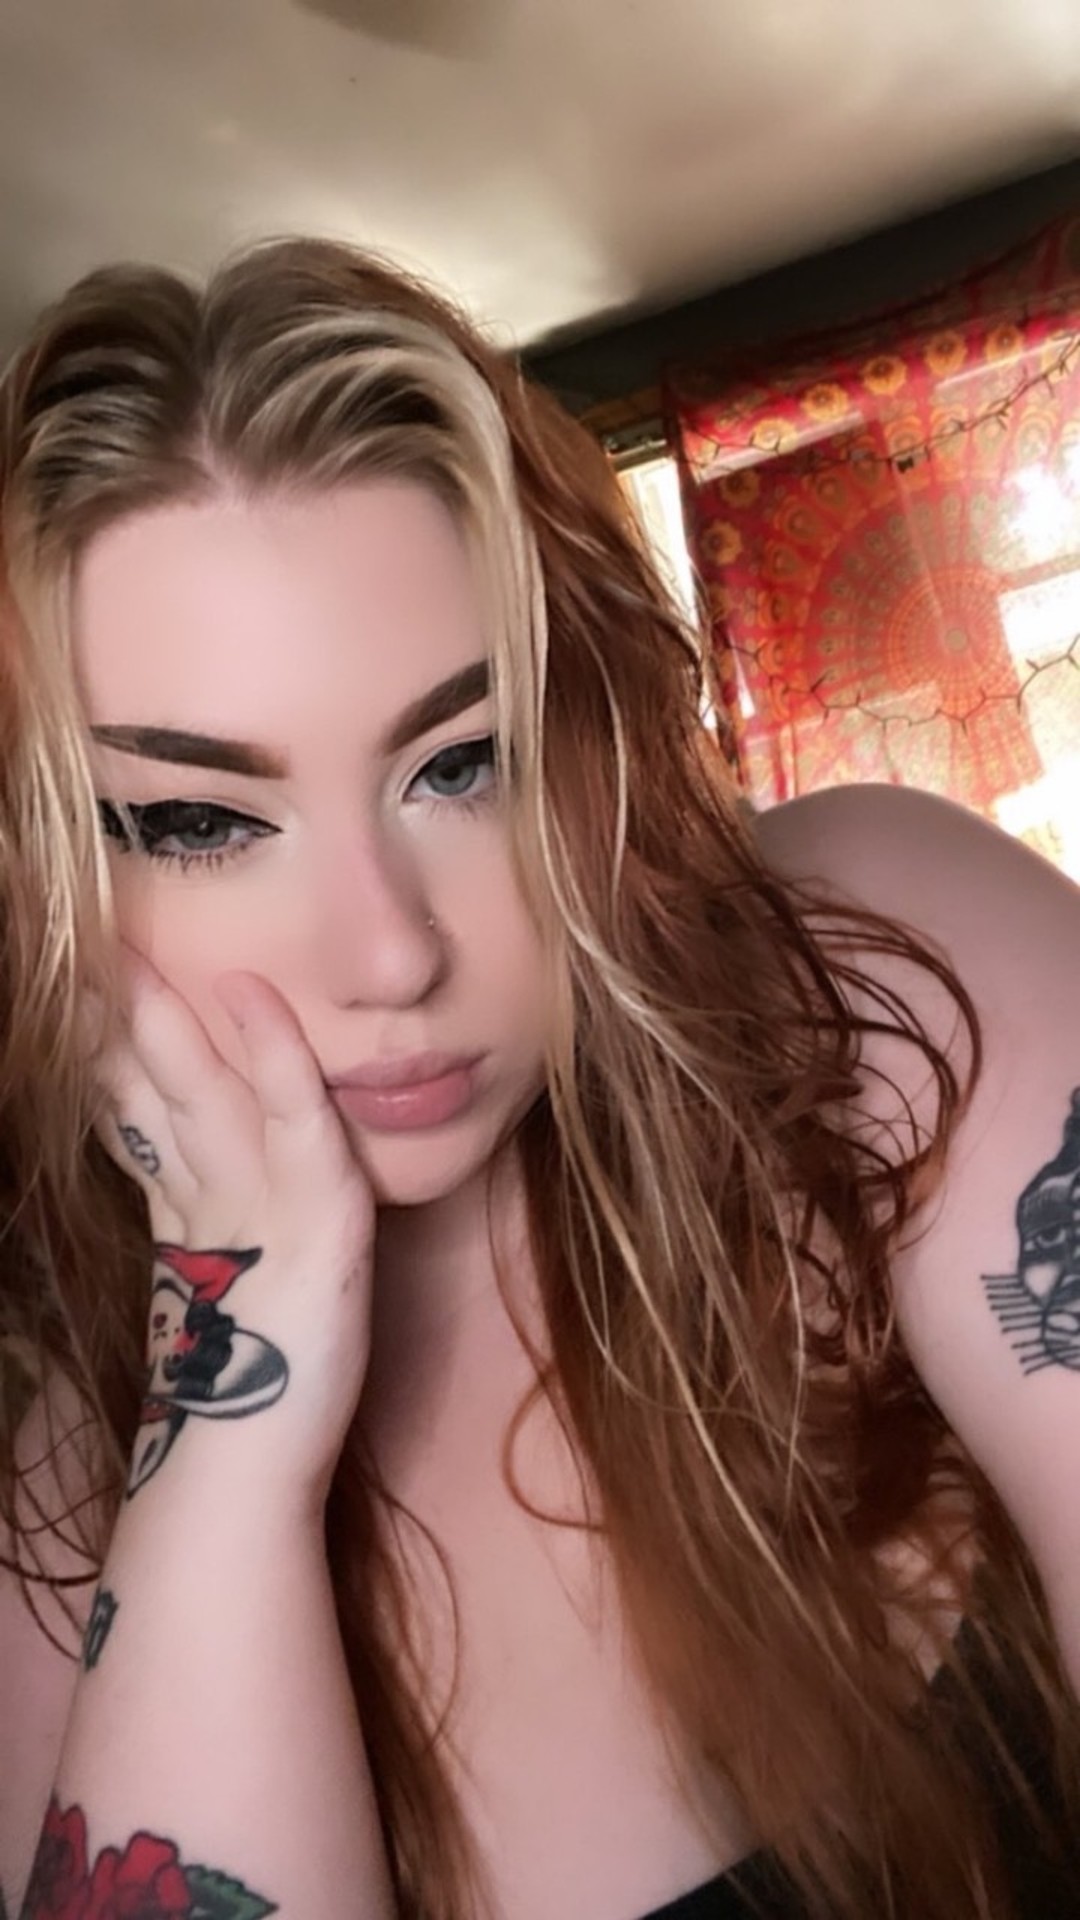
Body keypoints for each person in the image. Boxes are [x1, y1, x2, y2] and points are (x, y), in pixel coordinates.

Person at [0, 237, 1077, 1920]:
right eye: (202, 820)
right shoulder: (60, 1516)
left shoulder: (867, 972)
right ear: (40, 878)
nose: (390, 955)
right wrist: (234, 1412)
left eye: (464, 763)